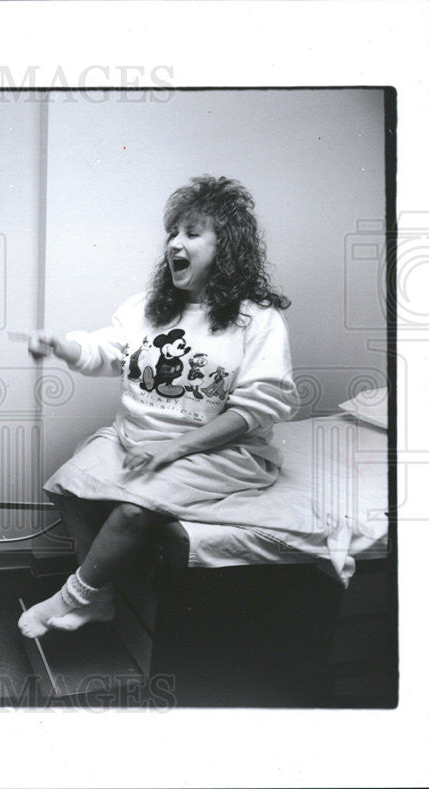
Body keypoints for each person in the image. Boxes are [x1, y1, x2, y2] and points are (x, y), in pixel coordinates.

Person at [18, 176, 299, 638]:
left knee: (131, 510)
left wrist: (179, 448)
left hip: (221, 450)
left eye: (191, 233)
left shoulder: (258, 319)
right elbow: (106, 352)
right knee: (66, 487)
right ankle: (101, 598)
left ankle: (74, 597)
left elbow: (258, 407)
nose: (174, 243)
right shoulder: (147, 307)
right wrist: (61, 347)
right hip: (140, 435)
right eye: (172, 233)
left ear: (225, 246)